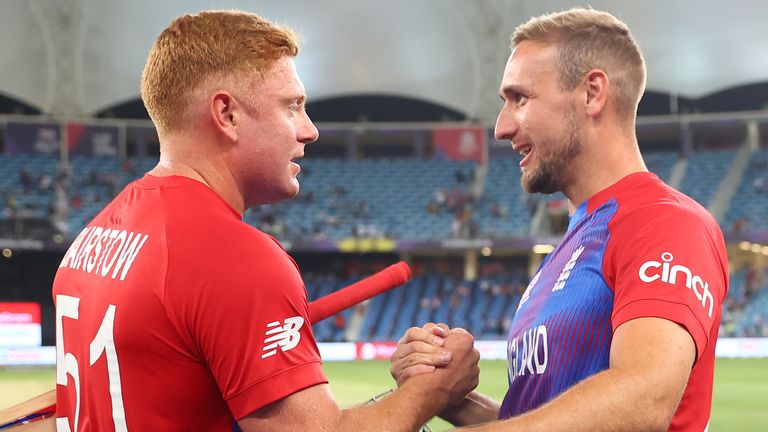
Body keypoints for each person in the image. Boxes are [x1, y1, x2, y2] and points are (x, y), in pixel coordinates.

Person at [52, 10, 479, 432]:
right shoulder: (231, 256)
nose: (309, 130)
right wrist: (433, 390)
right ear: (227, 115)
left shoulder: (95, 236)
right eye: (291, 107)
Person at [391, 8, 728, 432]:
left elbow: (644, 399)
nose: (501, 127)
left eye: (520, 99)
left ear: (591, 93)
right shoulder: (576, 239)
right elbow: (551, 419)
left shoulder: (664, 222)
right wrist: (451, 398)